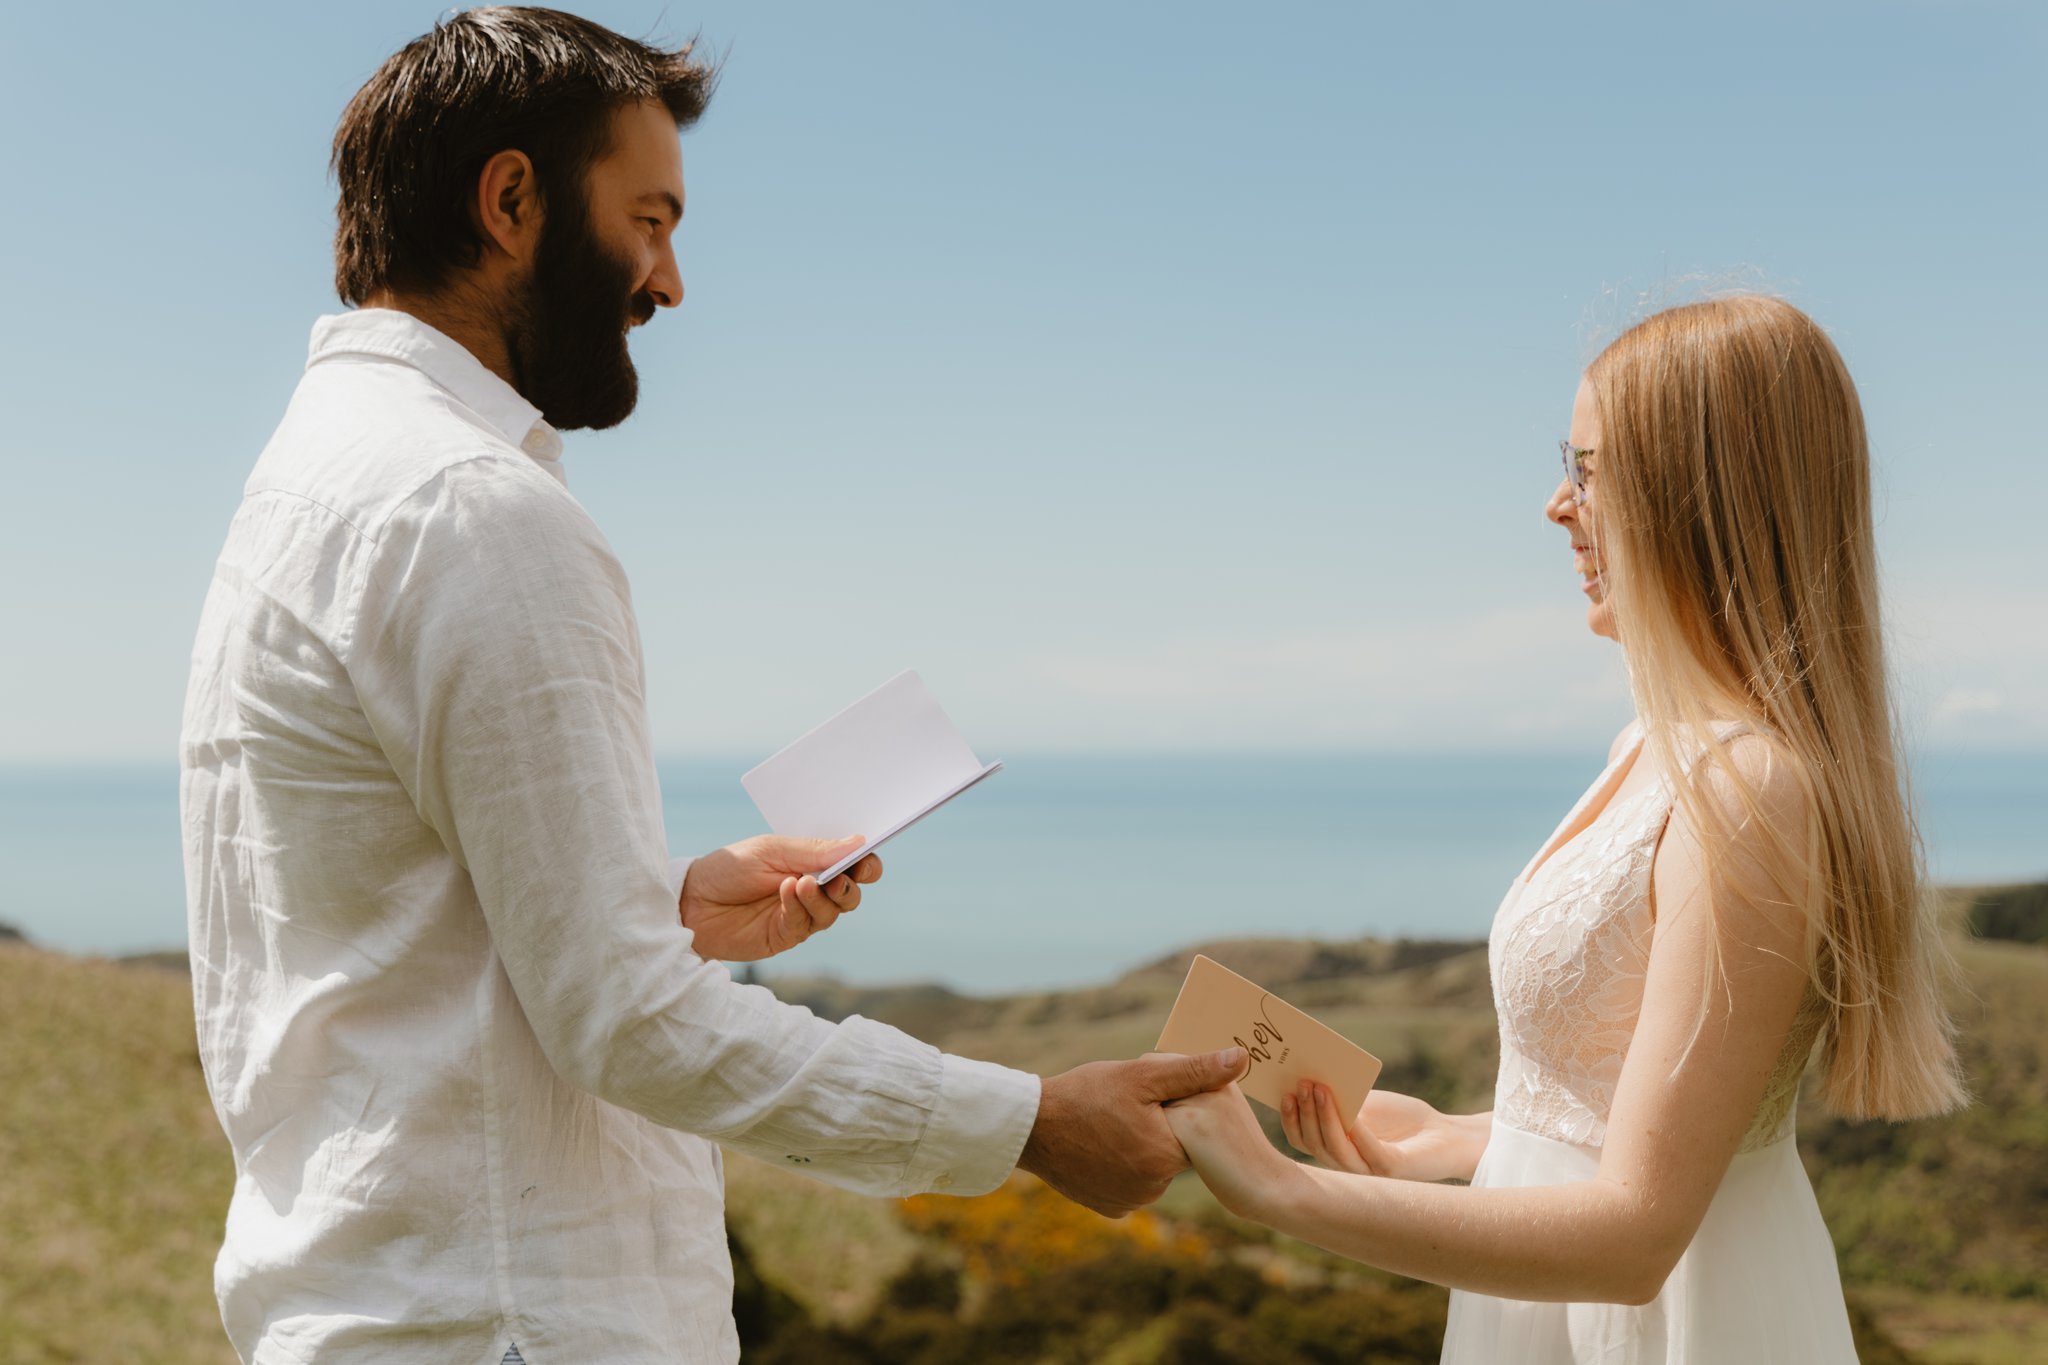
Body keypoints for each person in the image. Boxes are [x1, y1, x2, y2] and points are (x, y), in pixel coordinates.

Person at [178, 10, 1245, 1363]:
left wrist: (653, 909)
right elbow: (624, 1025)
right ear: (512, 201)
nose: (670, 281)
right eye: (649, 219)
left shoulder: (309, 485)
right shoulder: (476, 511)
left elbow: (378, 924)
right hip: (509, 1325)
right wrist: (1031, 1123)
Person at [1163, 294, 1965, 1364]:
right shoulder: (1650, 748)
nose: (1555, 505)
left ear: (1700, 497)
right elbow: (1626, 1124)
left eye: (1586, 468)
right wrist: (1454, 1141)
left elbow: (1635, 1235)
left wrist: (1274, 1191)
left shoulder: (1745, 791)